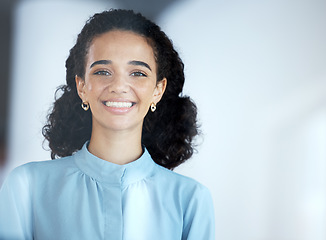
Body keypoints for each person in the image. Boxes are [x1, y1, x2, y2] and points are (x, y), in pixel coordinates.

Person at [0, 9, 215, 240]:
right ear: (81, 86)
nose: (119, 86)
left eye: (138, 73)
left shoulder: (191, 199)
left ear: (158, 90)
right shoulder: (26, 186)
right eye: (103, 71)